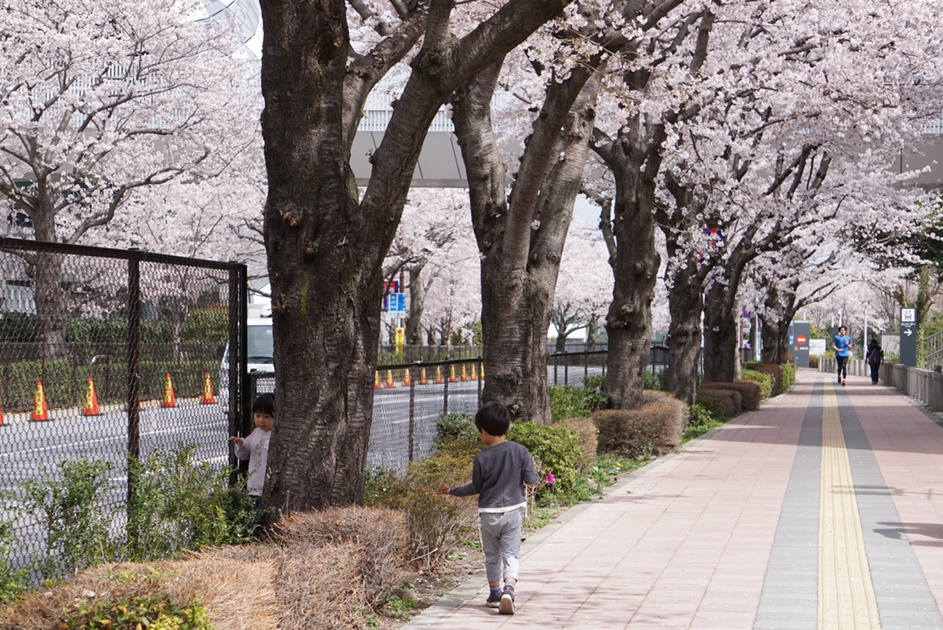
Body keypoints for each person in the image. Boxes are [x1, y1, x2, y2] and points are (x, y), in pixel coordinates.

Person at [436, 402, 539, 615]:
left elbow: (475, 487)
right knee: (510, 554)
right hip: (512, 512)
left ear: (483, 431)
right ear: (506, 427)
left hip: (488, 514)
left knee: (492, 555)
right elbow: (531, 479)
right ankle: (508, 590)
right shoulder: (520, 451)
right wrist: (534, 476)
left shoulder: (481, 458)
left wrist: (452, 491)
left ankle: (494, 594)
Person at [230, 393, 275, 503]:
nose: (261, 420)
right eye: (258, 416)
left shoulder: (276, 434)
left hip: (270, 487)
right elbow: (243, 455)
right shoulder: (256, 433)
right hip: (254, 486)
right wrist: (241, 444)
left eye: (266, 417)